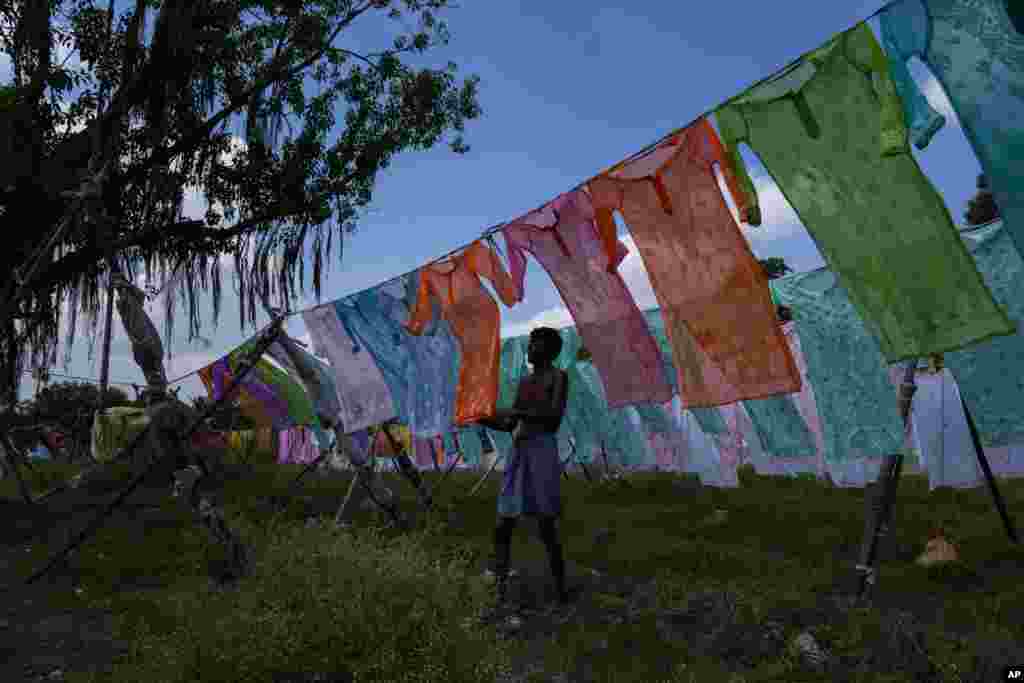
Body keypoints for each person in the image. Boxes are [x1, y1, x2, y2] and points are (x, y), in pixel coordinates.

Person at [477, 326, 570, 606]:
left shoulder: (558, 377)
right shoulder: (525, 382)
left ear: (550, 350)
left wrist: (516, 413)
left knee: (546, 525)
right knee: (503, 522)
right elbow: (509, 425)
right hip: (519, 451)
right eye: (529, 344)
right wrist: (481, 417)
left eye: (534, 344)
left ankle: (560, 587)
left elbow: (553, 418)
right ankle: (500, 585)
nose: (529, 349)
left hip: (542, 450)